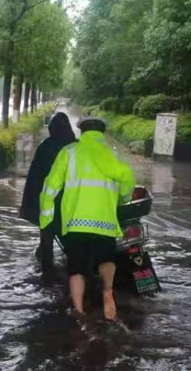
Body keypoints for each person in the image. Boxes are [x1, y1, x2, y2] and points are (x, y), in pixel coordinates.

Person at [39, 117, 135, 320]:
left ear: (82, 132)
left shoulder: (69, 152)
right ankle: (108, 292)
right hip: (105, 221)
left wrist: (45, 217)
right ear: (102, 133)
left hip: (75, 222)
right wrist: (120, 199)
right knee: (107, 259)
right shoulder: (113, 154)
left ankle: (79, 310)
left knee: (76, 268)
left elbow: (50, 186)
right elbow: (127, 182)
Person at [20, 112, 77, 270]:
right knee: (70, 240)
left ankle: (47, 273)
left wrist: (31, 204)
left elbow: (35, 177)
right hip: (71, 202)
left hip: (48, 200)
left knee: (47, 239)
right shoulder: (76, 147)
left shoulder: (45, 146)